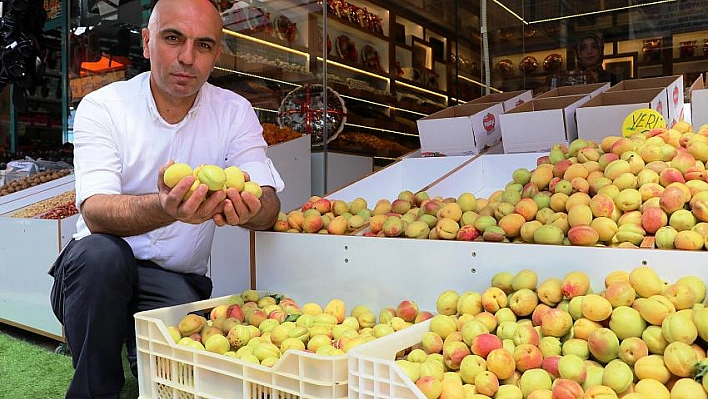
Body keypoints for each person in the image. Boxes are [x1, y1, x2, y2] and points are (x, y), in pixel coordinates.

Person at [48, 0, 284, 397]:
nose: (187, 58)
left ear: (217, 54)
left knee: (168, 379)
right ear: (146, 42)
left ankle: (134, 347)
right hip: (95, 274)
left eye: (204, 45)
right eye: (173, 38)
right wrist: (164, 208)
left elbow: (268, 203)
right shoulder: (104, 107)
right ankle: (94, 384)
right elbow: (96, 210)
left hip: (175, 277)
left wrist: (250, 210)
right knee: (102, 256)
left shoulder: (234, 112)